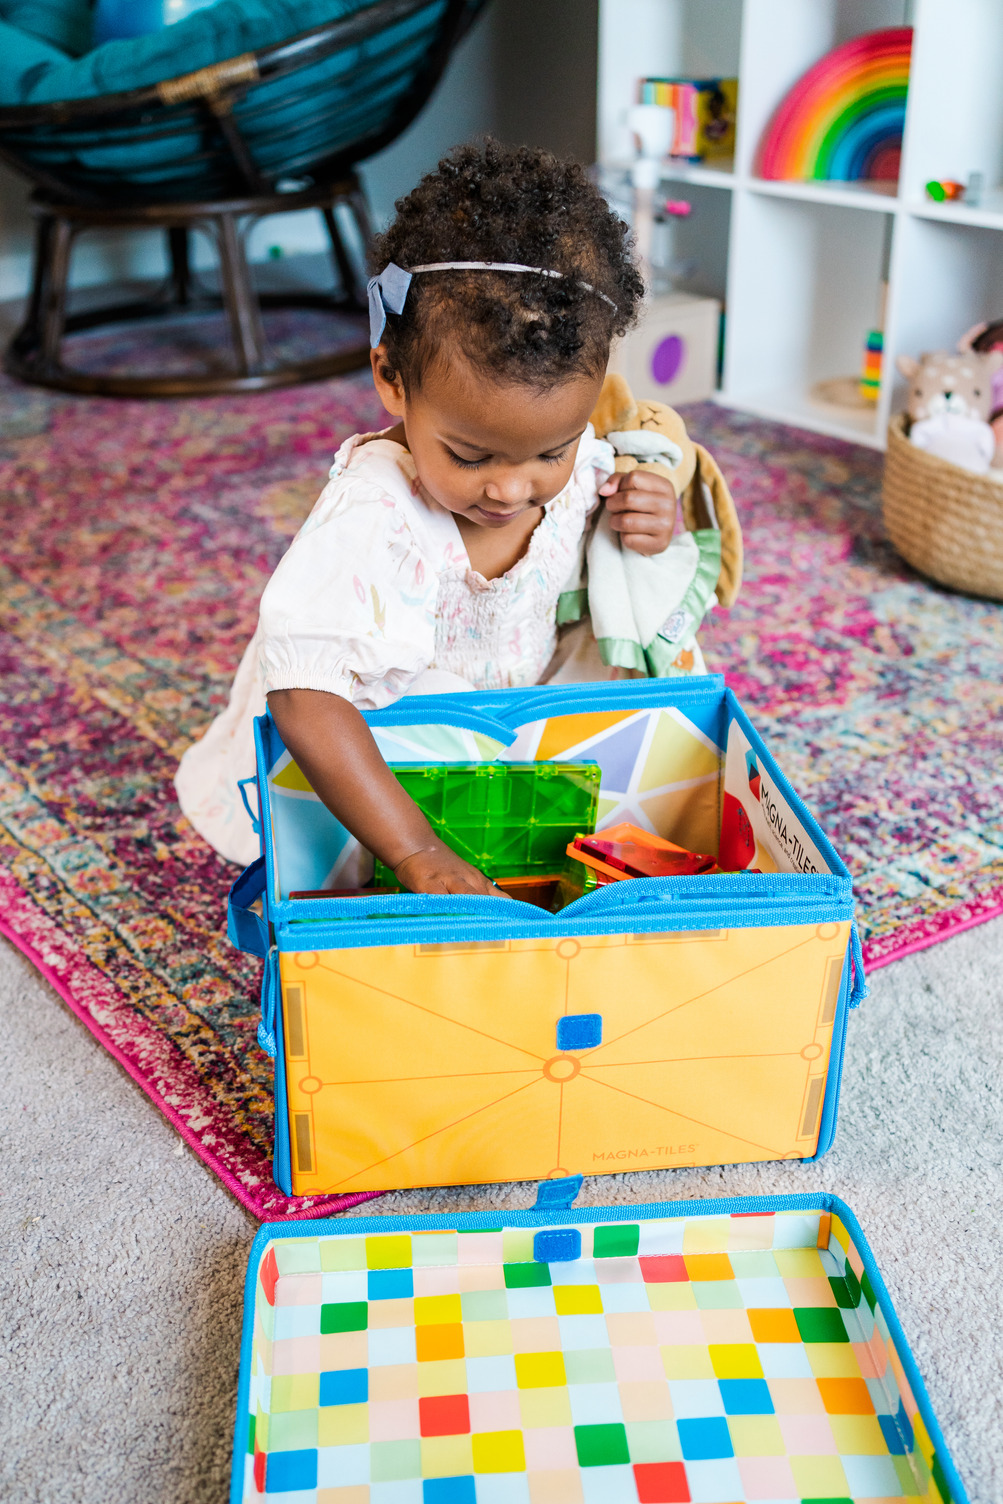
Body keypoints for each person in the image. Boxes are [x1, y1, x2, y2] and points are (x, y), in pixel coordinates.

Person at [175, 140, 688, 894]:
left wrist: (654, 516)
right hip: (359, 757)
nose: (513, 489)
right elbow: (305, 696)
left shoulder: (583, 463)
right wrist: (414, 851)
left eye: (551, 450)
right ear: (391, 377)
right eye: (472, 455)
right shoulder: (376, 510)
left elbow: (615, 531)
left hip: (487, 733)